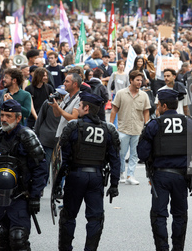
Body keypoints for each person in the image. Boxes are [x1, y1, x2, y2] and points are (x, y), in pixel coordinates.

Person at [137, 89, 192, 251]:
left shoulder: (154, 124)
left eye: (158, 105)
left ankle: (163, 248)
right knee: (180, 215)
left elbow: (142, 153)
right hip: (182, 176)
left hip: (160, 176)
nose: (157, 108)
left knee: (159, 215)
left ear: (165, 106)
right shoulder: (190, 123)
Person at [57, 92, 121, 251]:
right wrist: (114, 184)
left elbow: (61, 159)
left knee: (68, 216)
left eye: (79, 105)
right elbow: (115, 159)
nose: (78, 108)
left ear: (86, 108)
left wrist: (57, 183)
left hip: (75, 176)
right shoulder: (108, 129)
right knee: (95, 218)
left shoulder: (74, 126)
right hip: (96, 177)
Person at [0, 100, 47, 250]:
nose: (4, 119)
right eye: (2, 115)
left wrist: (35, 196)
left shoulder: (27, 136)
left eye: (8, 116)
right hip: (1, 196)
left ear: (18, 118)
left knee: (18, 237)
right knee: (3, 235)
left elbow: (41, 167)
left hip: (21, 196)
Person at [110, 70, 151, 185]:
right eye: (137, 80)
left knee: (135, 154)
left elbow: (146, 111)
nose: (140, 82)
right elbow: (114, 110)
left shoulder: (144, 95)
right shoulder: (121, 93)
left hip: (138, 129)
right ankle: (121, 173)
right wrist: (111, 125)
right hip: (123, 128)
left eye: (141, 80)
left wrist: (146, 126)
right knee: (121, 153)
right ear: (131, 80)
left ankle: (130, 175)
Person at [34, 85, 68, 184]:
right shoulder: (67, 106)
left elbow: (40, 120)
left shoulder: (49, 103)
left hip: (49, 138)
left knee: (46, 165)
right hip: (55, 139)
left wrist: (36, 135)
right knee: (58, 166)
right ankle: (57, 188)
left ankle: (42, 186)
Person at [50, 73, 81, 138]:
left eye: (67, 82)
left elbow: (73, 118)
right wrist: (54, 105)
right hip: (61, 134)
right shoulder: (67, 96)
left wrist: (57, 107)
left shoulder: (80, 98)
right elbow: (57, 114)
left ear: (75, 84)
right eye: (64, 81)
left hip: (70, 137)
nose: (64, 84)